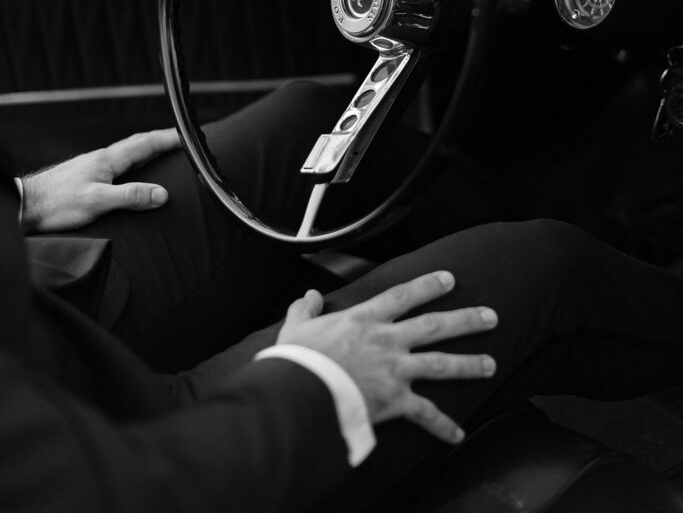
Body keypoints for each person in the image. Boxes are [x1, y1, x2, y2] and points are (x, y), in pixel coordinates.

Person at [4, 81, 683, 513]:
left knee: (319, 127)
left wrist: (21, 199)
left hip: (46, 315)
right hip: (128, 449)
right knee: (545, 265)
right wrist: (316, 381)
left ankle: (625, 237)